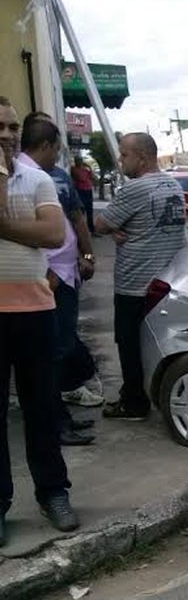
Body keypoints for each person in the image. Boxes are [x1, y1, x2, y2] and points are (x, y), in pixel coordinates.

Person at [0, 96, 79, 545]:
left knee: (42, 409)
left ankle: (53, 492)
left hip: (34, 311)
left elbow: (52, 233)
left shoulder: (37, 178)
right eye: (0, 127)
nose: (8, 135)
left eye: (12, 127)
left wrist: (2, 224)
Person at [94, 133, 186, 421]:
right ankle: (157, 395)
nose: (120, 160)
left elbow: (99, 224)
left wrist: (115, 229)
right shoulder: (173, 185)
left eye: (124, 155)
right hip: (166, 281)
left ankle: (133, 402)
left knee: (129, 345)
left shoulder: (134, 189)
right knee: (161, 342)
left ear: (143, 157)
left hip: (134, 284)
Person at [18, 115, 98, 445]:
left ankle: (60, 416)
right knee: (51, 353)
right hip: (48, 279)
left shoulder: (55, 177)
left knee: (61, 347)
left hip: (65, 276)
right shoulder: (23, 178)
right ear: (47, 146)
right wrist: (48, 275)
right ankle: (54, 424)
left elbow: (76, 219)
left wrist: (87, 255)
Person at [70, 155, 95, 232]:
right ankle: (82, 229)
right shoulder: (74, 169)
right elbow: (81, 178)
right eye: (77, 160)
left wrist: (89, 168)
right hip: (80, 191)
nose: (79, 162)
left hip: (88, 190)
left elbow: (92, 177)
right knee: (81, 210)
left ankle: (91, 229)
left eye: (80, 160)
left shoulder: (85, 169)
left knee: (89, 210)